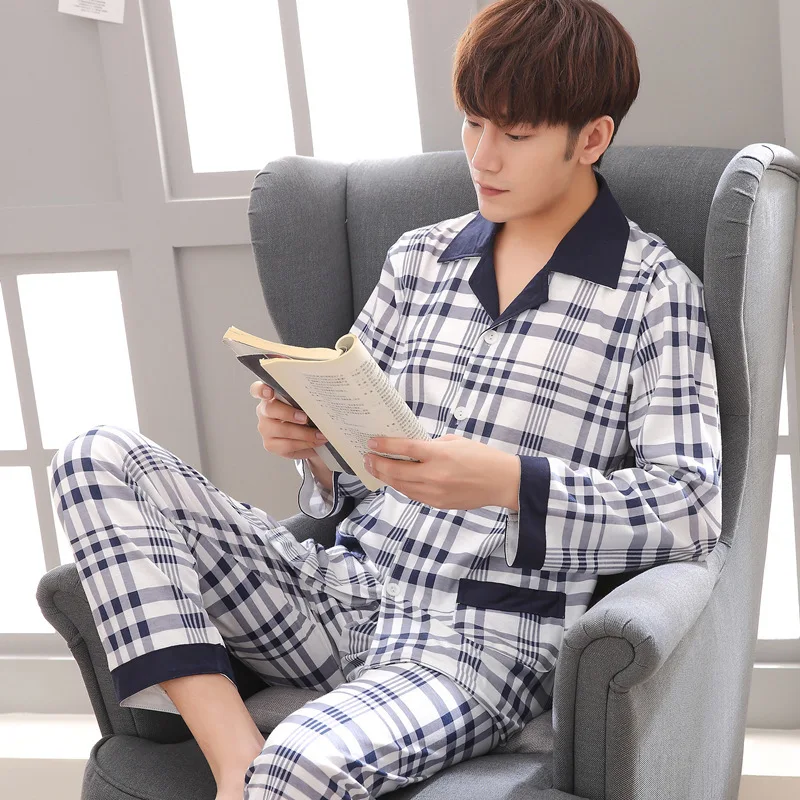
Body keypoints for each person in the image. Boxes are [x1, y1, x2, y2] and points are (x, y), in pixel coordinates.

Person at [49, 1, 722, 798]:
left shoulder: (653, 293)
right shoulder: (419, 260)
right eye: (473, 123)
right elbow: (361, 462)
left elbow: (691, 509)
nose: (482, 156)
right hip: (343, 592)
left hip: (483, 639)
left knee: (300, 763)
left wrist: (510, 482)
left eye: (515, 134)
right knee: (95, 456)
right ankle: (233, 757)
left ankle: (264, 771)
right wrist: (309, 443)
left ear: (592, 138)